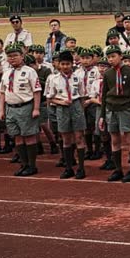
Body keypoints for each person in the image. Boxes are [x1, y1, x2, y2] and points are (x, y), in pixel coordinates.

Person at [0, 44, 43, 177]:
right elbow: (2, 92)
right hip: (11, 108)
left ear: (22, 56)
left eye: (15, 55)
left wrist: (36, 108)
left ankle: (32, 165)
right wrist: (1, 110)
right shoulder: (6, 73)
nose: (12, 58)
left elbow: (36, 91)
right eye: (9, 56)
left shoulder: (30, 71)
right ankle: (23, 164)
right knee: (17, 137)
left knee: (29, 137)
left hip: (25, 107)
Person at [102, 47, 130, 183]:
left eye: (113, 56)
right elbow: (104, 95)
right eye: (109, 57)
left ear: (120, 56)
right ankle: (118, 169)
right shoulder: (108, 73)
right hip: (111, 109)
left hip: (126, 108)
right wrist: (102, 115)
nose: (111, 59)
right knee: (114, 139)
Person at [44, 50, 86, 179]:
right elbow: (50, 98)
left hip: (76, 106)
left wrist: (80, 109)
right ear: (59, 64)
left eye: (68, 64)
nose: (65, 66)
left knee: (79, 137)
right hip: (62, 108)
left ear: (72, 64)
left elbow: (82, 95)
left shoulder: (78, 77)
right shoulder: (53, 79)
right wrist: (61, 102)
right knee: (66, 138)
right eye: (63, 64)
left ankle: (81, 168)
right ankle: (68, 168)